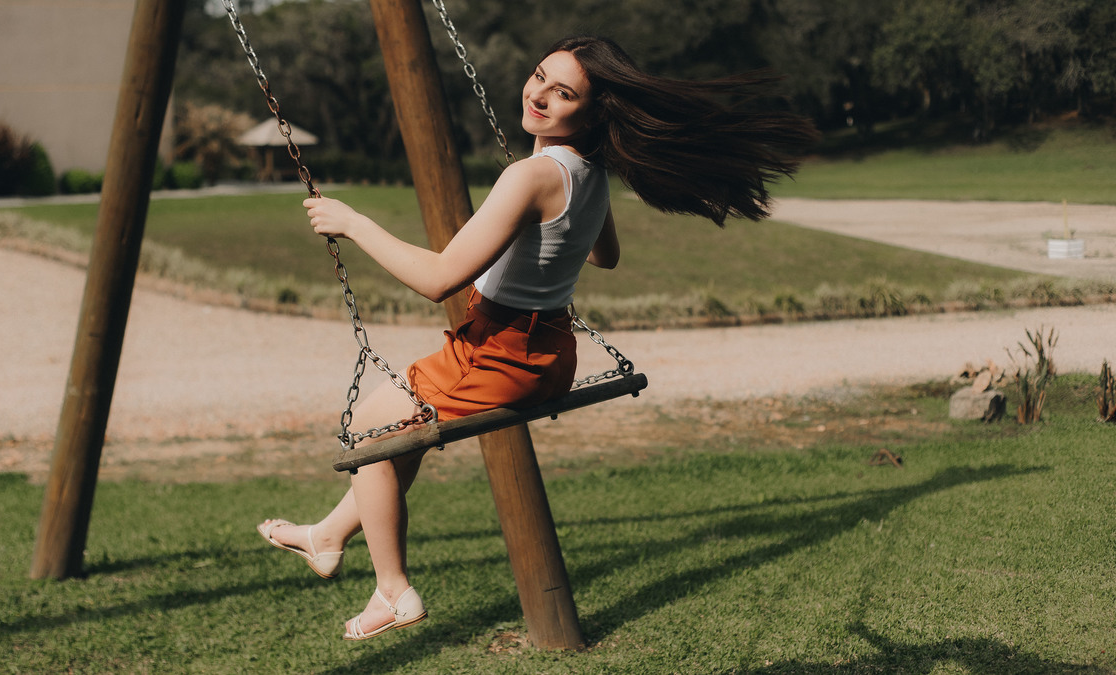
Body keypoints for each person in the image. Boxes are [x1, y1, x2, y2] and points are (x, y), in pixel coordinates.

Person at [257, 35, 818, 641]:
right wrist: (553, 229)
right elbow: (604, 254)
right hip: (546, 352)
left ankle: (392, 592)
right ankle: (328, 535)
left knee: (370, 431)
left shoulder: (532, 176)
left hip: (498, 353)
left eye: (564, 92)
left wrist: (353, 222)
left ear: (592, 111)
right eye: (540, 76)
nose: (540, 95)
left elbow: (439, 278)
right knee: (399, 437)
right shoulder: (588, 171)